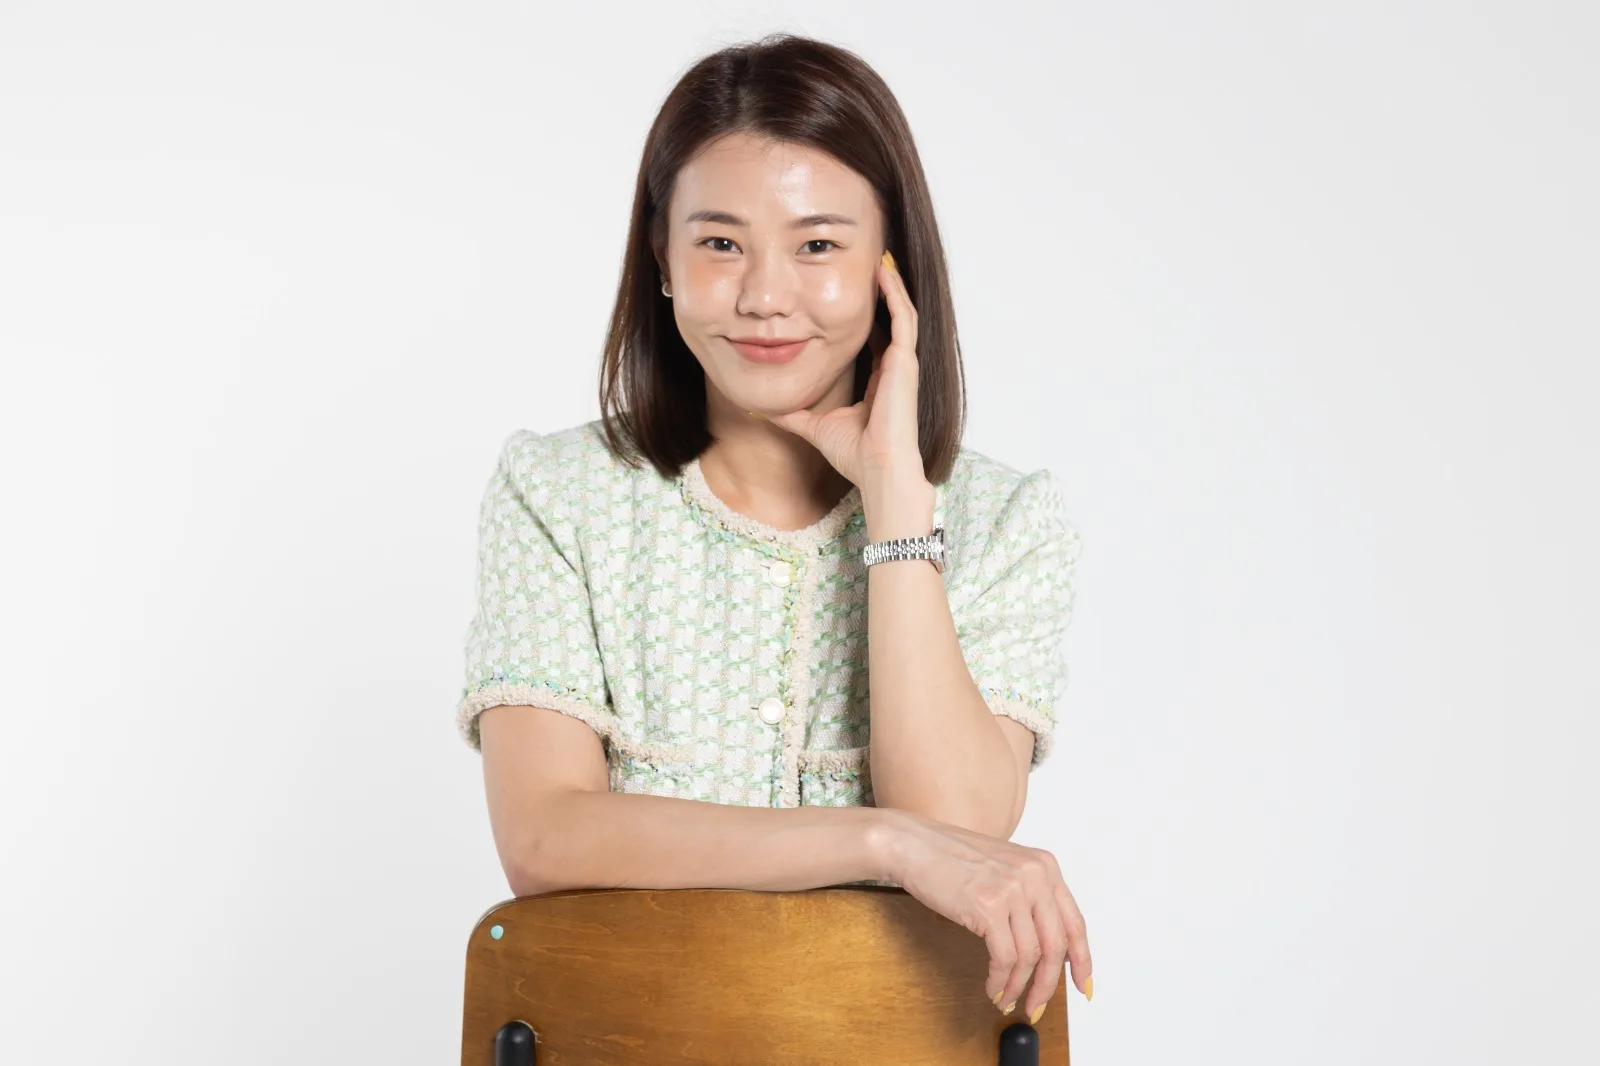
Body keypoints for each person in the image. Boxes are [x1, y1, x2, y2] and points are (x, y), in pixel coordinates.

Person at [453, 33, 1094, 1025]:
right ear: (661, 261)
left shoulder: (1006, 520)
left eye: (817, 246)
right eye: (719, 243)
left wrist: (897, 504)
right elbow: (544, 838)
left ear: (889, 266)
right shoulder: (559, 493)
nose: (763, 296)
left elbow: (960, 829)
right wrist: (879, 842)